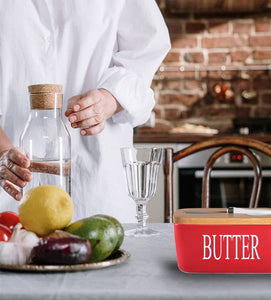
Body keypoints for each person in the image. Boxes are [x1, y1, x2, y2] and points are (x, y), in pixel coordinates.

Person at [0, 0, 170, 222]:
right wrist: (4, 152)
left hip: (96, 186)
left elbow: (148, 48)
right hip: (10, 195)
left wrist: (111, 97)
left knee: (103, 251)